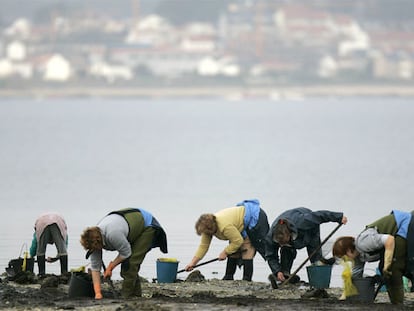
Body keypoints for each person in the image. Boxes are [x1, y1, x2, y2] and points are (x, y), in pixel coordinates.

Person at [80, 208, 167, 299]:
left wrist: (111, 267)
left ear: (99, 242)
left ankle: (127, 296)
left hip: (147, 225)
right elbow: (95, 268)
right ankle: (136, 295)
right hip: (127, 228)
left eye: (95, 249)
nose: (95, 251)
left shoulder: (113, 234)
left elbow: (126, 253)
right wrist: (98, 293)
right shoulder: (94, 242)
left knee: (130, 263)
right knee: (130, 265)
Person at [332, 210, 414, 304]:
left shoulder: (363, 243)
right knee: (385, 269)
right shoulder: (359, 256)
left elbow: (389, 240)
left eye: (344, 258)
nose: (346, 261)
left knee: (394, 268)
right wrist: (345, 295)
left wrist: (387, 264)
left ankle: (398, 303)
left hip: (406, 224)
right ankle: (396, 301)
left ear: (348, 251)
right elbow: (356, 277)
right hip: (399, 234)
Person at [185, 199, 269, 281]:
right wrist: (193, 263)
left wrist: (225, 252)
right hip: (238, 223)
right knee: (232, 249)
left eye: (206, 233)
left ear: (211, 229)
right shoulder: (207, 229)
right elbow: (203, 247)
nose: (205, 235)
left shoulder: (225, 227)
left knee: (246, 247)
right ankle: (228, 277)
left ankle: (247, 279)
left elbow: (238, 241)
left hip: (254, 216)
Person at [266, 207, 347, 288]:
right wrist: (277, 271)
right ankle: (285, 276)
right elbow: (271, 256)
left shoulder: (304, 221)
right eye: (280, 244)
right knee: (287, 251)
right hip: (291, 234)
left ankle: (319, 280)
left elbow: (320, 215)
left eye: (284, 242)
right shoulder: (270, 237)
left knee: (315, 256)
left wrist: (338, 217)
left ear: (290, 234)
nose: (281, 245)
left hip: (309, 230)